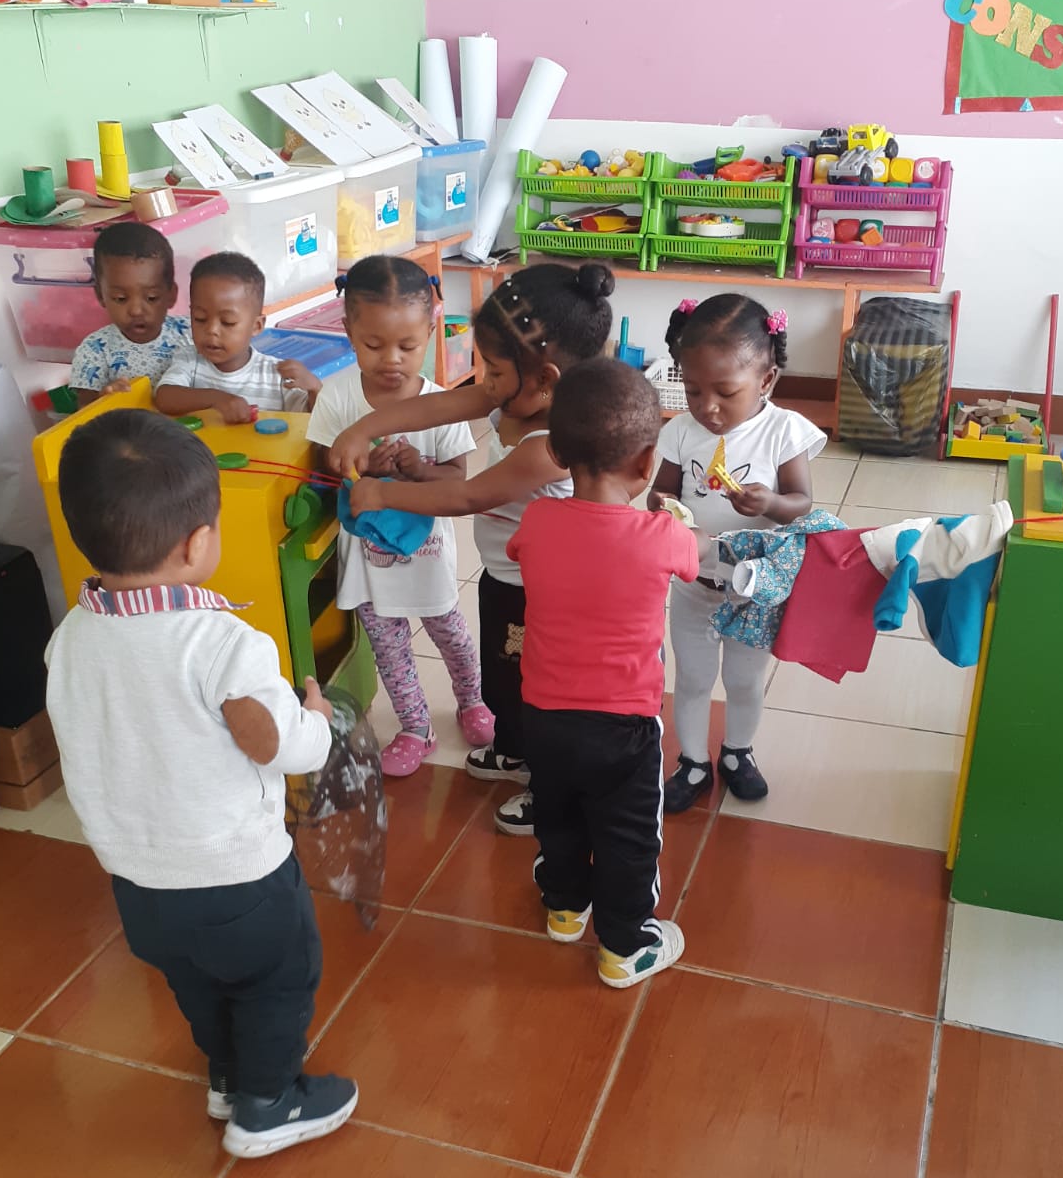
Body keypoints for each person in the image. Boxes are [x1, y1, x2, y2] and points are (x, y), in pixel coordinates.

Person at [44, 409, 357, 1160]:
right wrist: (318, 720)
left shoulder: (69, 640)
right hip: (236, 877)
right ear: (196, 544)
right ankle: (268, 1104)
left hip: (138, 884)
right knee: (278, 979)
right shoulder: (221, 645)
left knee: (197, 984)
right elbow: (276, 744)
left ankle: (226, 1075)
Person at [329, 262, 614, 836]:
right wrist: (362, 429)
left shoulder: (552, 444)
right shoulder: (522, 395)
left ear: (545, 378)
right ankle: (514, 748)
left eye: (494, 370)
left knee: (541, 687)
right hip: (507, 575)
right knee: (505, 673)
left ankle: (548, 789)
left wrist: (382, 492)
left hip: (546, 594)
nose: (485, 382)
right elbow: (436, 407)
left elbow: (469, 495)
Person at [509, 358, 701, 986]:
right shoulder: (660, 535)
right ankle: (625, 947)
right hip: (623, 727)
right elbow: (692, 558)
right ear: (647, 463)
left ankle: (565, 910)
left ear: (558, 452)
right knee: (628, 838)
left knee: (559, 816)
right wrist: (678, 521)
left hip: (542, 716)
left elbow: (523, 550)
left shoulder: (537, 521)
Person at [306, 257, 491, 776]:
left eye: (407, 347)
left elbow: (458, 478)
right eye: (373, 345)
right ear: (348, 332)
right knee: (389, 649)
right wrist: (362, 465)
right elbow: (323, 461)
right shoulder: (339, 395)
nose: (391, 360)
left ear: (430, 333)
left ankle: (472, 699)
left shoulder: (442, 404)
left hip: (428, 556)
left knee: (451, 634)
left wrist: (417, 469)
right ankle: (415, 726)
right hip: (368, 560)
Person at [649, 294, 826, 812]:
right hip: (694, 584)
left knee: (745, 680)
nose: (708, 406)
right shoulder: (681, 431)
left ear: (766, 380)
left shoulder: (783, 430)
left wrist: (770, 503)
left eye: (726, 392)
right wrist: (663, 508)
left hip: (754, 590)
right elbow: (660, 491)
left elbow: (802, 503)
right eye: (693, 389)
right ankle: (692, 761)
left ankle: (737, 752)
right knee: (693, 678)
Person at [156, 252, 321, 424]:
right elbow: (164, 398)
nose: (212, 330)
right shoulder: (190, 360)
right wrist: (216, 399)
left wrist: (315, 389)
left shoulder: (275, 375)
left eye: (227, 322)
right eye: (200, 319)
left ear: (256, 326)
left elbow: (313, 420)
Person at [69, 222, 190, 407]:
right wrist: (104, 399)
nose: (136, 310)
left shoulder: (190, 333)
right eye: (120, 298)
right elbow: (84, 411)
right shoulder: (95, 349)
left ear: (171, 295)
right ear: (101, 295)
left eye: (151, 297)